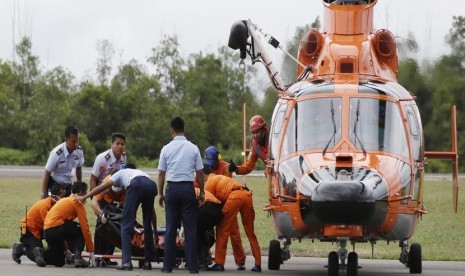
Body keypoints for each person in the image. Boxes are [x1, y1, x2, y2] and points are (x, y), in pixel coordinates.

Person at [76, 165, 157, 271]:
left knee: (126, 223)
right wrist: (154, 230)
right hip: (152, 186)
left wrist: (84, 197)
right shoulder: (139, 173)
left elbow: (100, 188)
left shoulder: (117, 175)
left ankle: (126, 262)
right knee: (147, 223)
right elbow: (152, 212)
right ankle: (147, 262)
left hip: (136, 185)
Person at [158, 116, 205, 274]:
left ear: (171, 130)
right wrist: (202, 192)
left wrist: (160, 194)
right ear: (184, 129)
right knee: (190, 229)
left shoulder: (166, 148)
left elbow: (161, 174)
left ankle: (167, 267)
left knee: (171, 229)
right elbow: (199, 173)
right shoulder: (193, 148)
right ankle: (192, 267)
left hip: (171, 189)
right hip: (187, 189)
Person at [203, 166, 261, 272]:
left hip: (234, 198)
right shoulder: (221, 177)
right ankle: (258, 264)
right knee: (250, 232)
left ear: (203, 175)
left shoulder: (209, 182)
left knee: (222, 230)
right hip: (246, 194)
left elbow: (209, 203)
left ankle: (219, 263)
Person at [204, 146, 246, 270]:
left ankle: (240, 260)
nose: (212, 165)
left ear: (219, 158)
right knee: (209, 231)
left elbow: (226, 185)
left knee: (234, 233)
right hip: (212, 204)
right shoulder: (206, 167)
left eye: (214, 162)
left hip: (227, 203)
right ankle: (207, 256)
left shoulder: (226, 167)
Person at [34, 181, 94, 268]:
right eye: (85, 193)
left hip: (47, 231)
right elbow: (85, 227)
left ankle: (41, 253)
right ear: (81, 193)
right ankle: (78, 258)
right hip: (57, 227)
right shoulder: (77, 201)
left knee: (59, 261)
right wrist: (91, 250)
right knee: (79, 228)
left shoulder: (65, 200)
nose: (86, 196)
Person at [12, 184, 66, 265]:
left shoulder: (54, 205)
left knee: (47, 254)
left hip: (38, 229)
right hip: (28, 229)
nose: (63, 199)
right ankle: (21, 248)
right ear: (55, 197)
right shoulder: (44, 206)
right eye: (62, 197)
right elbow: (49, 227)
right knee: (38, 255)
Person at [90, 170, 127, 267]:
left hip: (119, 203)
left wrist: (120, 204)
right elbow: (94, 202)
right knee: (101, 225)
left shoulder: (126, 185)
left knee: (115, 227)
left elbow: (128, 201)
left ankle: (107, 258)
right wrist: (101, 215)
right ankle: (98, 256)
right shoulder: (106, 184)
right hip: (105, 202)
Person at [40, 125, 84, 198]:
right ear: (66, 140)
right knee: (53, 207)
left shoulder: (79, 151)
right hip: (55, 185)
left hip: (68, 185)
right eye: (73, 141)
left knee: (68, 208)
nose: (76, 144)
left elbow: (79, 168)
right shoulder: (57, 153)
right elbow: (47, 173)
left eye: (77, 140)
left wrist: (79, 188)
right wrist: (44, 194)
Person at [195, 187, 223, 270]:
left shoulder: (187, 192)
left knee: (195, 232)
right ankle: (206, 259)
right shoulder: (193, 189)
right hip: (217, 210)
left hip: (209, 208)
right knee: (201, 231)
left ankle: (200, 261)